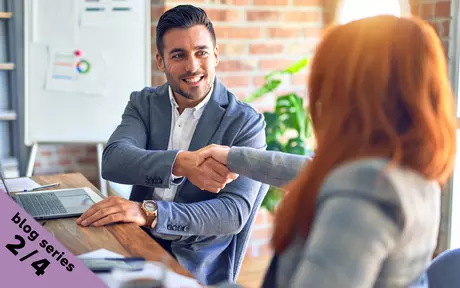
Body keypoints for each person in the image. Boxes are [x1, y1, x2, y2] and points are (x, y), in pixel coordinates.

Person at [204, 15, 457, 287]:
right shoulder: (408, 171)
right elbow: (315, 172)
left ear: (352, 95)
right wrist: (233, 158)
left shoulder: (368, 190)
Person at [76, 5, 267, 285]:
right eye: (178, 55)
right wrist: (180, 163)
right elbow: (115, 160)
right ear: (161, 61)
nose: (192, 66)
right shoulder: (144, 103)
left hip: (195, 260)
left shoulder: (245, 122)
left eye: (201, 52)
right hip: (134, 240)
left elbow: (233, 213)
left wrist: (149, 212)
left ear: (215, 55)